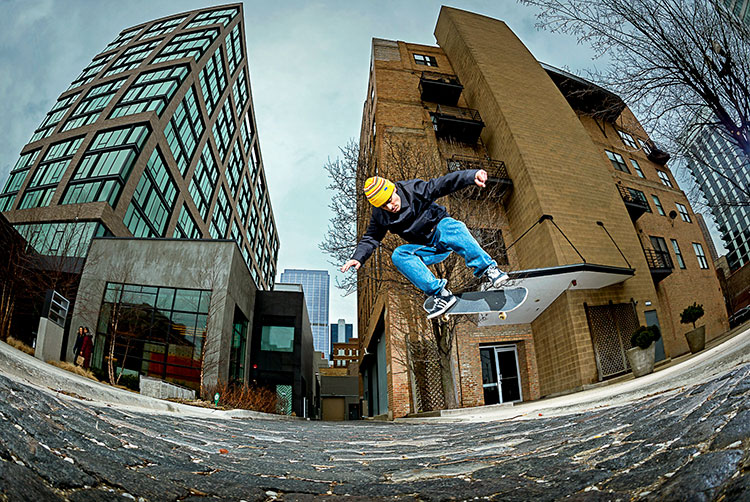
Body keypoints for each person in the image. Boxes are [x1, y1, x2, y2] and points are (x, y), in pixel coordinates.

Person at [341, 169, 509, 319]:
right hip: (428, 248)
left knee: (452, 226)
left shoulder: (413, 189)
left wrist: (471, 176)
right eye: (384, 205)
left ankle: (489, 269)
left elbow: (442, 184)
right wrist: (358, 257)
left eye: (390, 200)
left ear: (394, 189)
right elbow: (371, 237)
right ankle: (441, 294)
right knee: (399, 255)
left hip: (441, 231)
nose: (390, 206)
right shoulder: (380, 216)